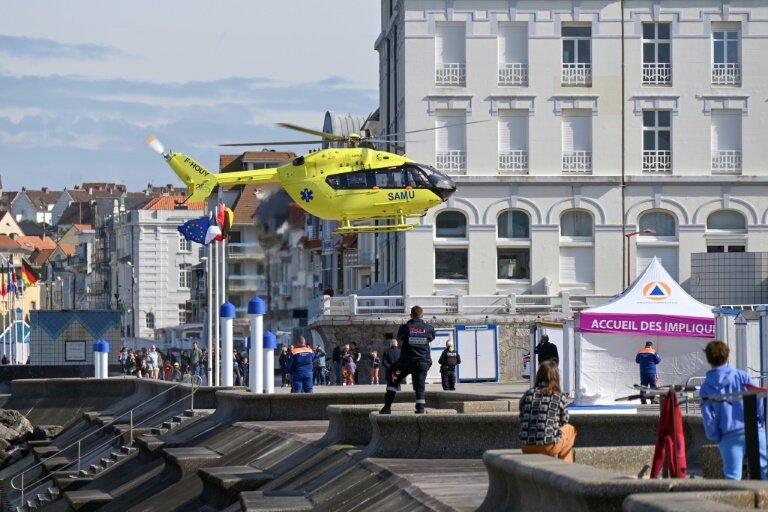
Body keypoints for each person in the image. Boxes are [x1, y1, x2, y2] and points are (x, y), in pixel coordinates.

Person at [699, 340, 768, 480]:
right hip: (754, 430)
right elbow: (759, 397)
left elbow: (708, 417)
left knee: (733, 476)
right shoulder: (742, 376)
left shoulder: (706, 387)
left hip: (728, 434)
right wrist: (761, 422)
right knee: (763, 473)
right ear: (727, 356)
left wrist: (716, 436)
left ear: (708, 359)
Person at [380, 305, 436, 414]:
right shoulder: (429, 329)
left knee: (393, 378)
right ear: (422, 315)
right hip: (422, 362)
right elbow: (432, 338)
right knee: (420, 387)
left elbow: (400, 338)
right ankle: (420, 409)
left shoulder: (405, 327)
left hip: (406, 363)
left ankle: (387, 406)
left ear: (411, 315)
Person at [519, 360, 577, 462]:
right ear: (556, 377)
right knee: (570, 429)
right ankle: (566, 467)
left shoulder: (528, 394)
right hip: (548, 446)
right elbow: (564, 421)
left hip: (526, 446)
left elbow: (522, 417)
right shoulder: (559, 396)